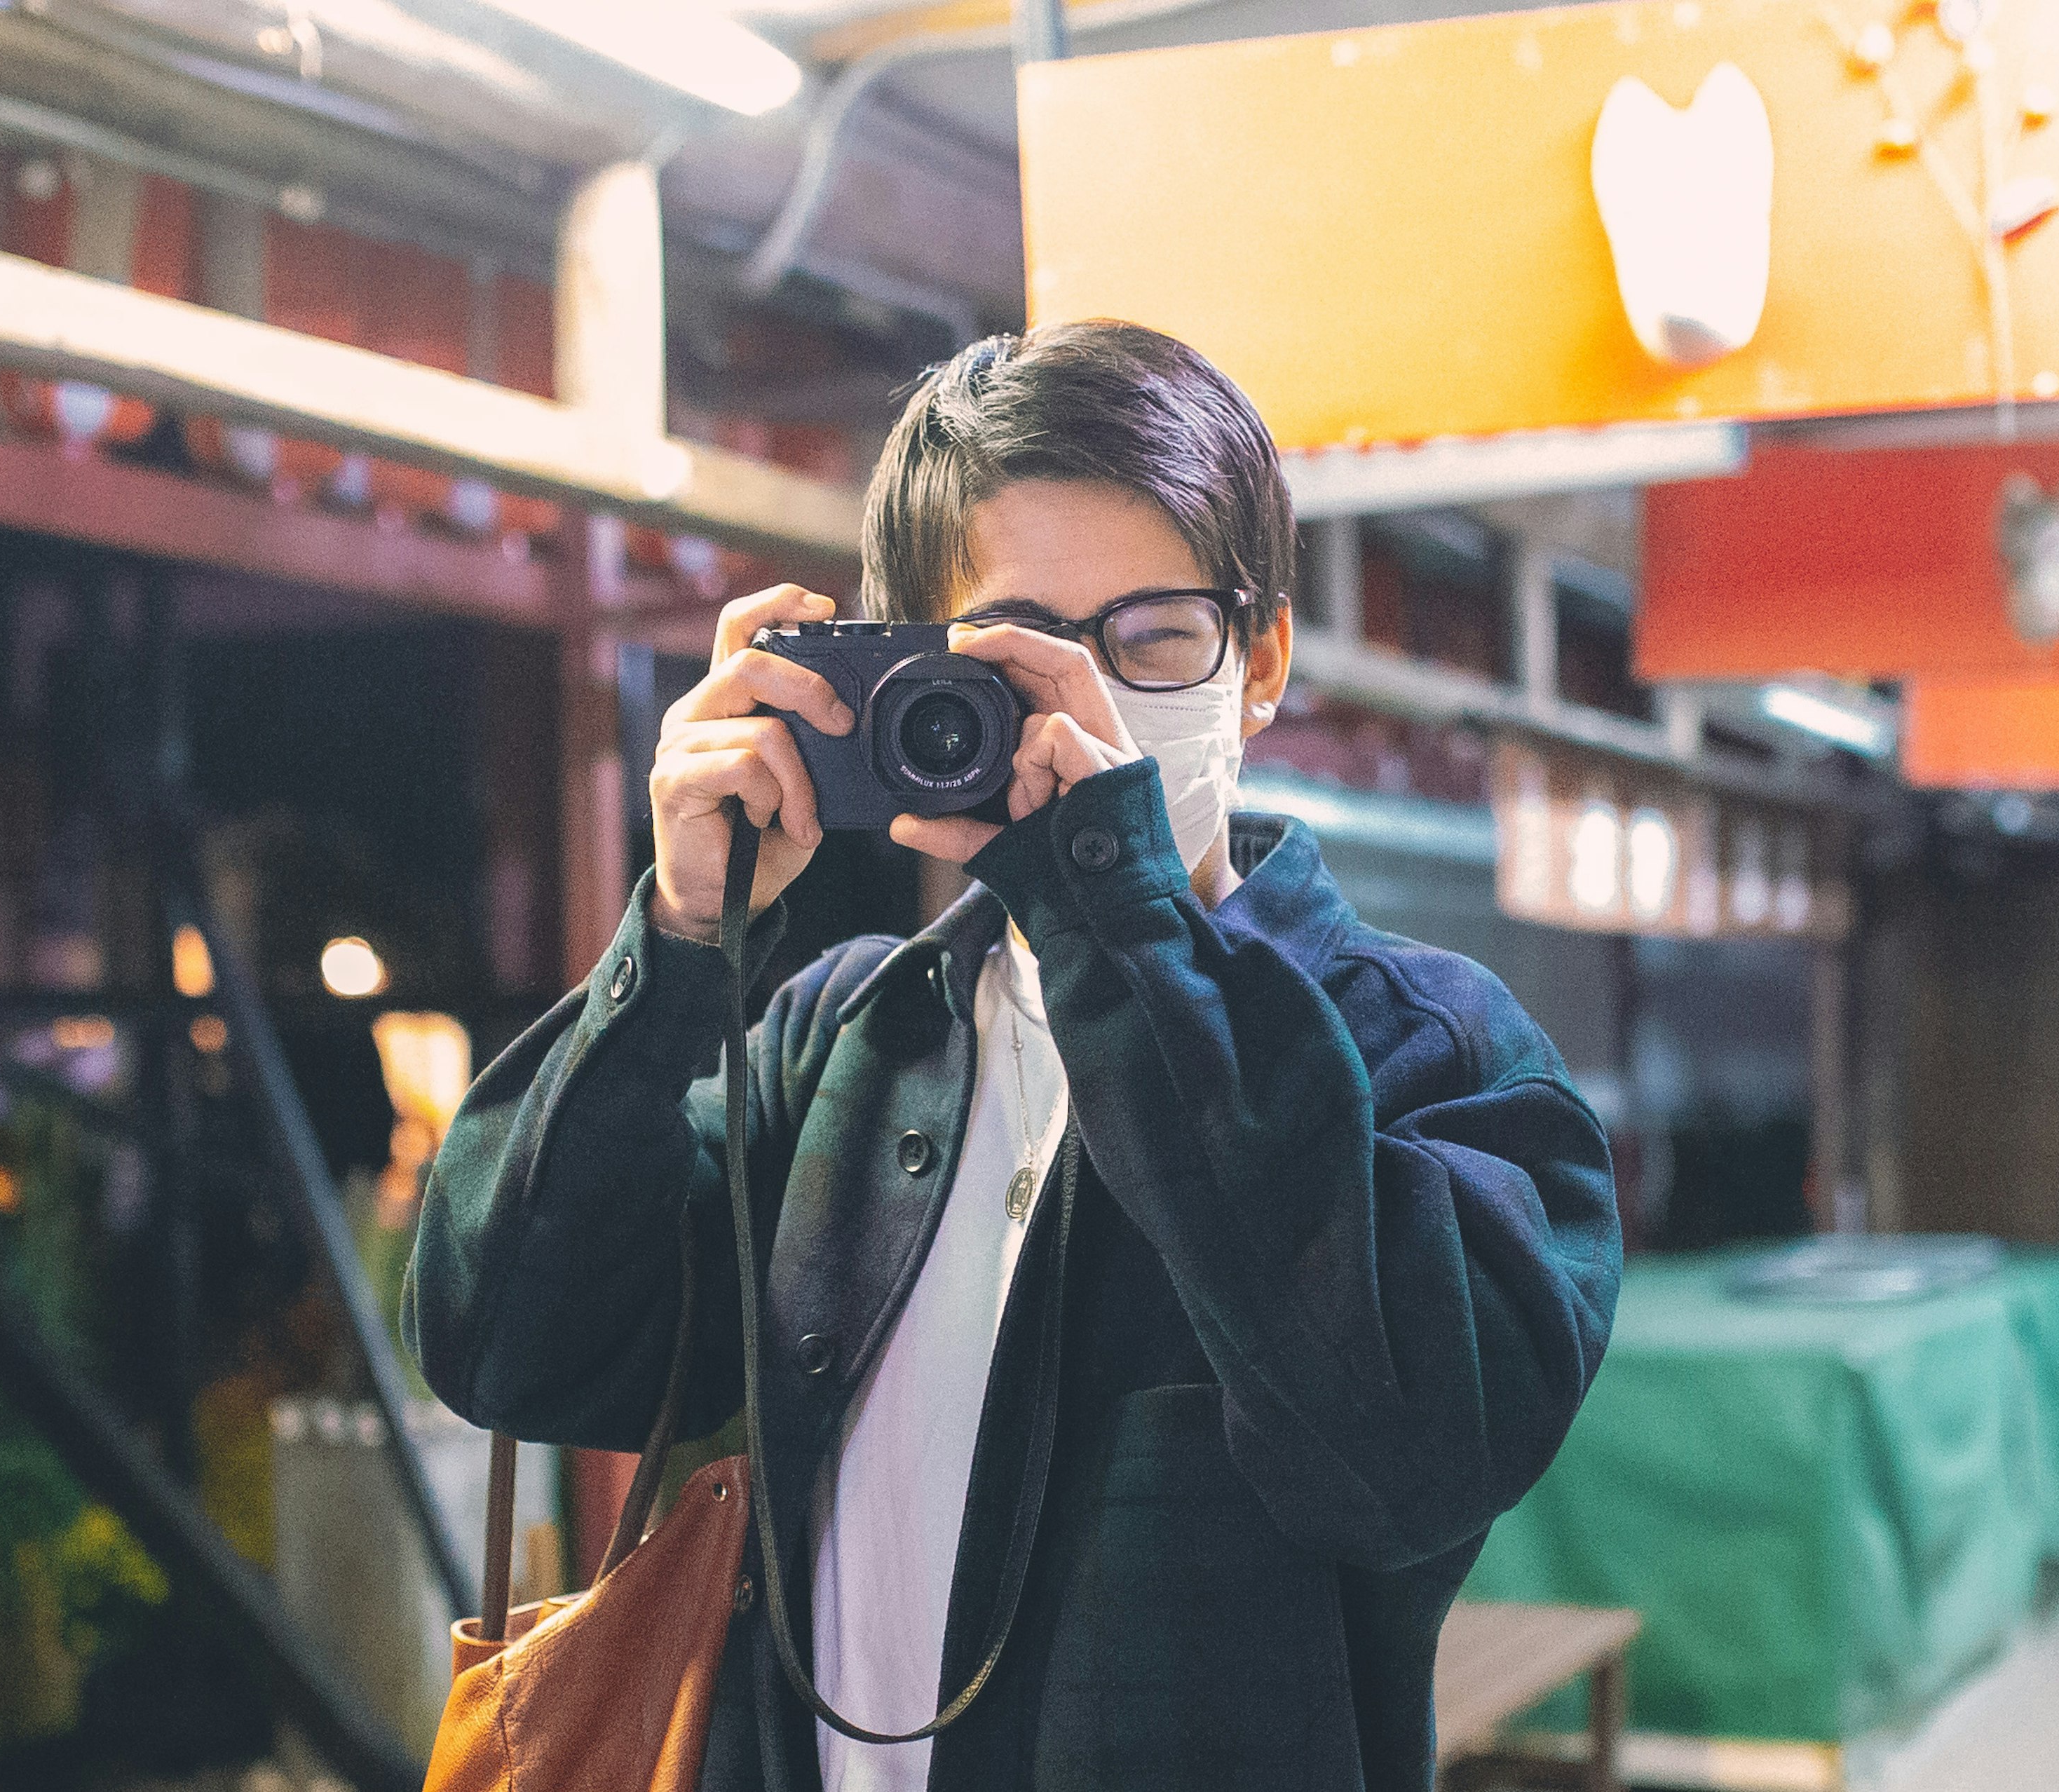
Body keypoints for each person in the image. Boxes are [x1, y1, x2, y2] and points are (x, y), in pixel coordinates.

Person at [406, 321, 1621, 1792]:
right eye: (1026, 656)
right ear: (914, 672)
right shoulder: (841, 1040)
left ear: (1263, 663)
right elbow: (508, 1344)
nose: (1095, 714)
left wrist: (1116, 921)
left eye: (1155, 641)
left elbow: (1410, 1454)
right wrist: (678, 946)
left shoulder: (1438, 1056)